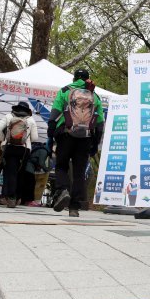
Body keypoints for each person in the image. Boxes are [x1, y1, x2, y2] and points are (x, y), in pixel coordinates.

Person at [47, 68, 104, 217]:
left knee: (61, 166)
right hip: (85, 138)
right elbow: (99, 124)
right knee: (79, 173)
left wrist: (51, 134)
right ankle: (74, 208)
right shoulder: (94, 96)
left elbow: (54, 114)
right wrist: (95, 144)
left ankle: (63, 190)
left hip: (66, 135)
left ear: (74, 78)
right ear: (87, 79)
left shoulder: (65, 90)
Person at [0, 101, 39, 208]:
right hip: (24, 150)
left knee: (10, 173)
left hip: (9, 147)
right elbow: (35, 138)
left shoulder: (9, 116)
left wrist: (3, 140)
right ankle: (17, 197)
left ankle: (9, 197)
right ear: (27, 110)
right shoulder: (31, 120)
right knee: (20, 173)